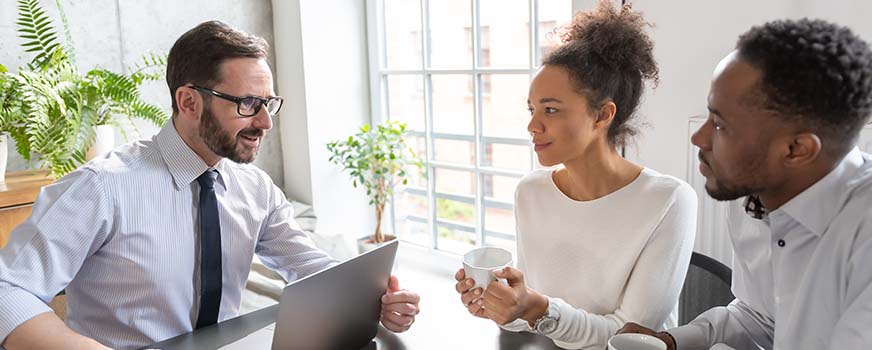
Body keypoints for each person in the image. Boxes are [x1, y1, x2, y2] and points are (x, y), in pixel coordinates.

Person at [0, 21, 420, 350]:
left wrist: (378, 299)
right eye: (248, 104)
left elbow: (312, 268)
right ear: (188, 102)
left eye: (269, 103)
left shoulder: (255, 190)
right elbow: (7, 291)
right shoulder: (100, 188)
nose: (265, 122)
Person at [616, 18, 872, 350]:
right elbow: (761, 317)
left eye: (719, 125)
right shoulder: (757, 196)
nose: (699, 137)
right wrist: (669, 342)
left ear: (796, 149)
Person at [453, 1, 697, 349]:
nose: (532, 125)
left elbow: (631, 338)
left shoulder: (669, 201)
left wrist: (538, 310)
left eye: (550, 109)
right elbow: (532, 321)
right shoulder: (531, 192)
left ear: (602, 115)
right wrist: (503, 306)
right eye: (532, 109)